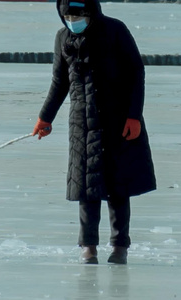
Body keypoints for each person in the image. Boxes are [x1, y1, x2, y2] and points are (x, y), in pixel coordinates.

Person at [31, 0, 157, 265]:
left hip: (119, 120)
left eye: (78, 15)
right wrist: (45, 117)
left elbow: (136, 71)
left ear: (90, 13)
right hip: (81, 124)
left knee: (118, 186)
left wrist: (134, 115)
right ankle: (88, 246)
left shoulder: (115, 30)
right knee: (86, 187)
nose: (72, 19)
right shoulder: (63, 37)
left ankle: (119, 245)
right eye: (68, 15)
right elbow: (59, 81)